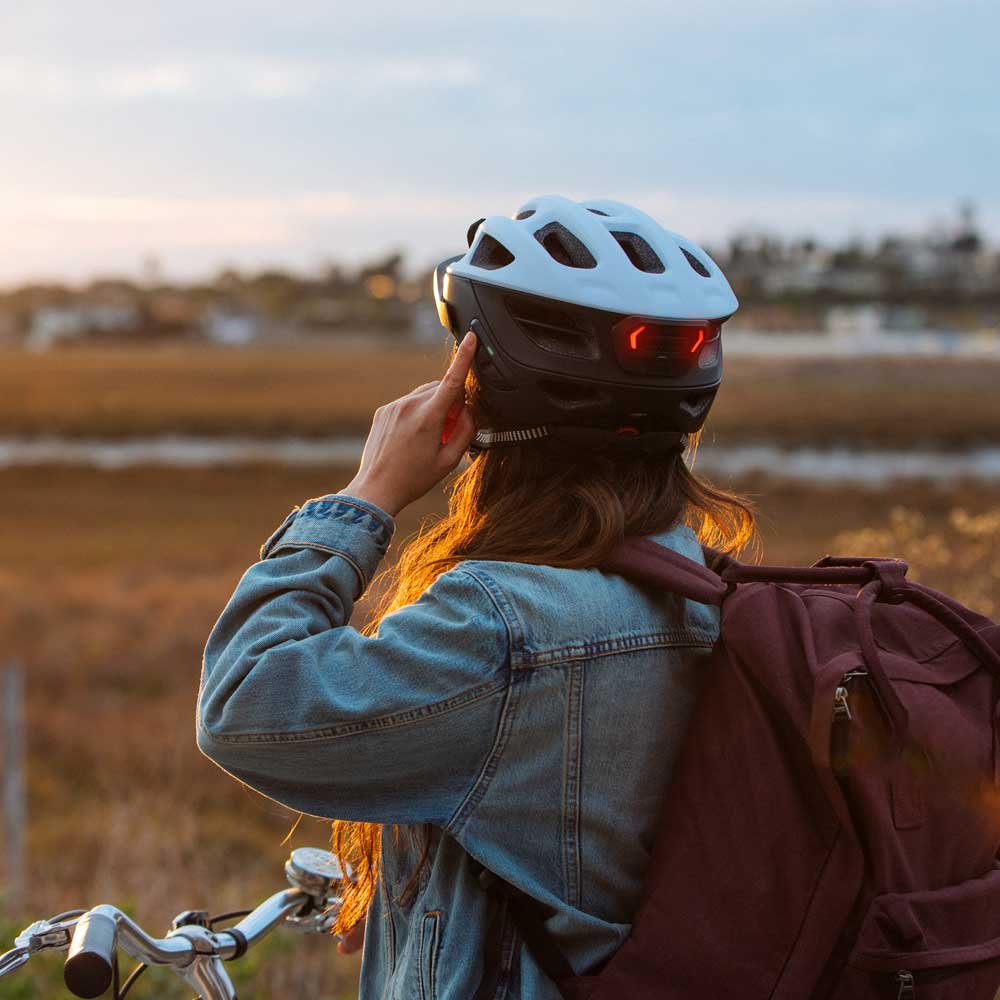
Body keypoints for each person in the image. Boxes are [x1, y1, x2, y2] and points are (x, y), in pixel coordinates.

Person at [197, 195, 755, 999]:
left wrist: (369, 494)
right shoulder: (707, 591)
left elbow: (243, 704)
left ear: (478, 380)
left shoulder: (504, 629)